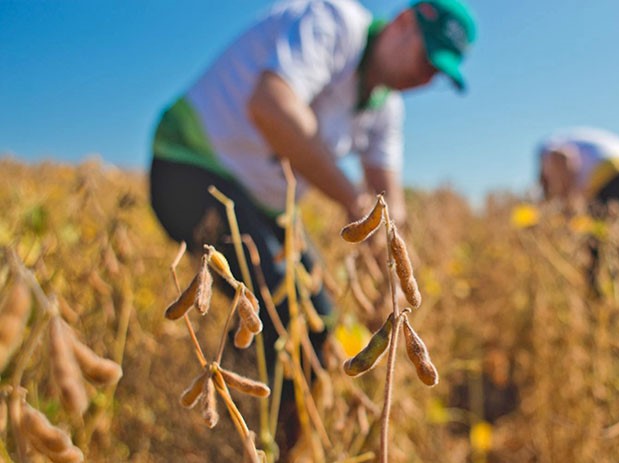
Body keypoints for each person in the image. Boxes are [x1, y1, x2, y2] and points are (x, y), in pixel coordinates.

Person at [148, 0, 476, 454]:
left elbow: (388, 199)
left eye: (438, 73)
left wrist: (394, 268)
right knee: (288, 321)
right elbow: (271, 104)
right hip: (188, 167)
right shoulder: (336, 21)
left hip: (266, 206)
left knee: (318, 323)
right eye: (427, 58)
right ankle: (266, 448)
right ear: (403, 24)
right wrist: (353, 199)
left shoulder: (386, 107)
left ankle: (270, 431)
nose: (427, 77)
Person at [536, 127, 619, 287]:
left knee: (597, 253)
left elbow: (562, 159)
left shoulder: (549, 148)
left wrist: (566, 204)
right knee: (618, 252)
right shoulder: (578, 142)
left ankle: (599, 298)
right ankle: (614, 299)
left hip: (615, 177)